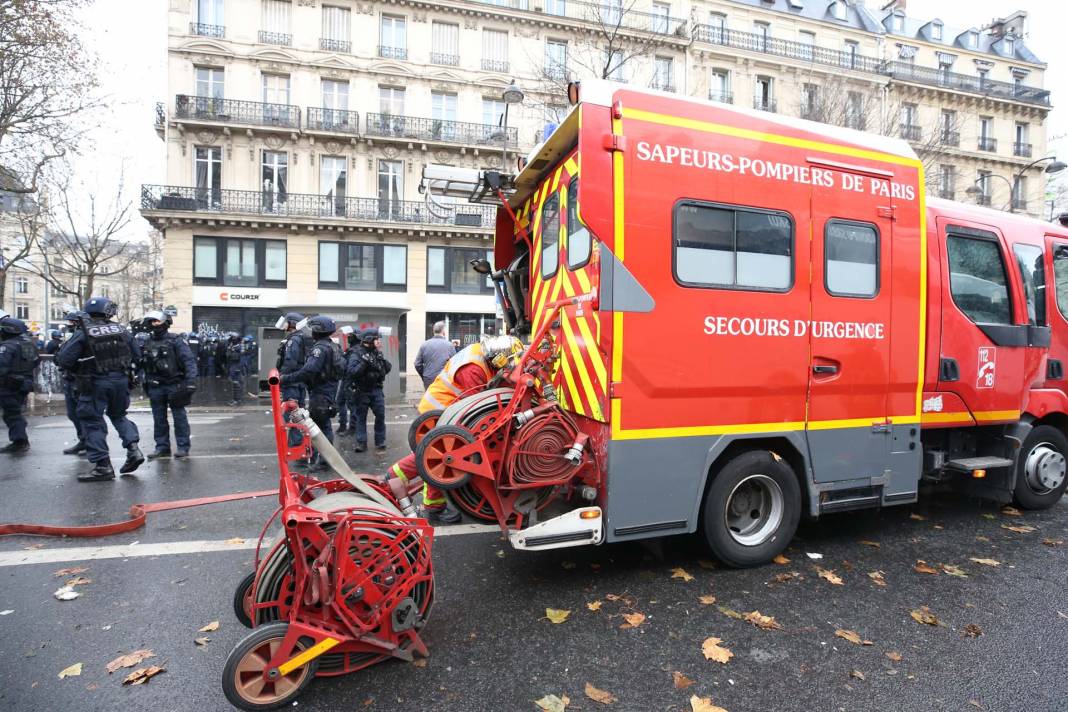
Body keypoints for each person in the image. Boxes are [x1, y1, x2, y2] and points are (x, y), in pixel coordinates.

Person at [384, 334, 523, 524]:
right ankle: (432, 506)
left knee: (434, 455)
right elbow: (478, 408)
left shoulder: (480, 352)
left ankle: (395, 477)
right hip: (442, 410)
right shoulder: (473, 370)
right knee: (441, 457)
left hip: (443, 409)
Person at [55, 296, 144, 482]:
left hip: (94, 382)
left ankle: (103, 466)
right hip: (120, 381)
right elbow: (137, 354)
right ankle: (134, 450)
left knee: (92, 421)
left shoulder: (84, 332)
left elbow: (64, 360)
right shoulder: (121, 330)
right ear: (109, 311)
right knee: (119, 415)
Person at [279, 316, 343, 471]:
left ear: (318, 330)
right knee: (322, 425)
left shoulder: (319, 349)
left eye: (313, 329)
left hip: (320, 392)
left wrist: (286, 379)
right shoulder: (334, 346)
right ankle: (320, 460)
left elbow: (309, 370)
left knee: (319, 427)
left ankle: (323, 462)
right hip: (328, 390)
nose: (310, 332)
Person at [141, 310, 197, 459]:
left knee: (179, 418)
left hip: (174, 384)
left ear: (165, 322)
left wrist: (191, 381)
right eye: (152, 322)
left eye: (157, 321)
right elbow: (142, 363)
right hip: (155, 386)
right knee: (159, 419)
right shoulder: (147, 341)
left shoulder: (175, 340)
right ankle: (162, 447)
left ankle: (183, 447)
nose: (154, 324)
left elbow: (188, 361)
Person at [347, 328, 391, 453]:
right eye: (376, 339)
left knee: (380, 416)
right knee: (361, 417)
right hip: (362, 390)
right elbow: (352, 372)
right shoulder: (357, 353)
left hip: (376, 389)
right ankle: (361, 443)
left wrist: (381, 360)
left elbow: (386, 370)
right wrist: (364, 363)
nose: (378, 342)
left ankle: (380, 441)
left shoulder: (377, 353)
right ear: (370, 340)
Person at [0, 314, 39, 453]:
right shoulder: (29, 344)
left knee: (12, 413)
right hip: (24, 383)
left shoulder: (7, 346)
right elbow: (36, 362)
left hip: (9, 384)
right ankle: (20, 438)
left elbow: (1, 366)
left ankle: (20, 441)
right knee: (15, 411)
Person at [275, 312, 309, 447]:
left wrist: (282, 378)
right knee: (298, 413)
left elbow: (290, 363)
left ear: (292, 323)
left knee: (292, 415)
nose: (284, 324)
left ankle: (297, 445)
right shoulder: (300, 337)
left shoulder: (294, 340)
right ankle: (300, 443)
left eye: (287, 322)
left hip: (292, 383)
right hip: (298, 382)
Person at [58, 311, 88, 455]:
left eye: (71, 323)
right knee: (73, 414)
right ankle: (83, 440)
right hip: (70, 378)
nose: (69, 326)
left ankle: (90, 443)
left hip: (81, 379)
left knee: (84, 414)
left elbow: (66, 358)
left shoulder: (85, 336)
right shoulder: (71, 337)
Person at [414, 321, 455, 390]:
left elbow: (417, 364)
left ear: (433, 331)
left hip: (428, 379)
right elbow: (454, 364)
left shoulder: (424, 345)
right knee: (442, 399)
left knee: (429, 399)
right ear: (443, 331)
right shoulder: (449, 345)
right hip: (443, 380)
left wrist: (424, 375)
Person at [334, 329, 356, 435]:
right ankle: (342, 425)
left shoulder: (356, 350)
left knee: (352, 405)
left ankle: (352, 428)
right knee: (340, 402)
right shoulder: (350, 350)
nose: (349, 337)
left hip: (351, 381)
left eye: (351, 335)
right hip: (345, 380)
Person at [225, 333, 245, 405]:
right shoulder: (231, 347)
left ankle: (237, 400)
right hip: (232, 367)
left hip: (237, 367)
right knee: (233, 384)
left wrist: (239, 368)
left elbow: (242, 358)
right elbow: (227, 356)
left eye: (233, 338)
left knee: (236, 384)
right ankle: (235, 399)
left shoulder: (239, 347)